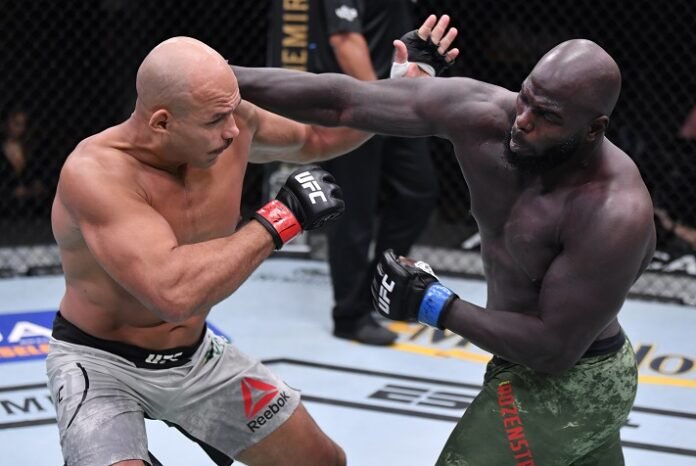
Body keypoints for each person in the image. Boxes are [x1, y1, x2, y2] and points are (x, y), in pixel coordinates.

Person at [232, 20, 656, 465]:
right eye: (526, 97)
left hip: (571, 383)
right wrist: (221, 75)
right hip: (528, 362)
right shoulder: (485, 115)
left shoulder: (613, 211)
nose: (523, 120)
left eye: (547, 116)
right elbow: (343, 102)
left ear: (593, 129)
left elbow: (553, 349)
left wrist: (434, 304)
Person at [46, 36, 372, 466]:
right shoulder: (97, 173)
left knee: (323, 462)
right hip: (102, 363)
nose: (233, 130)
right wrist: (280, 219)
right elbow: (173, 294)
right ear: (162, 122)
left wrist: (403, 87)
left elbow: (318, 136)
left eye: (233, 110)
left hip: (197, 357)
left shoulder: (234, 125)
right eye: (216, 119)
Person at [308, 1, 445, 345]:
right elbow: (345, 40)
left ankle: (378, 288)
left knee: (418, 191)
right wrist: (377, 103)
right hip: (355, 106)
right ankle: (349, 316)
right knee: (354, 211)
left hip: (391, 98)